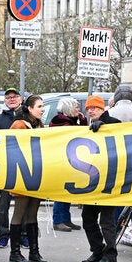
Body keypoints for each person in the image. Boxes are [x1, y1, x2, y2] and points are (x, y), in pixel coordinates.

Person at [6, 94, 49, 262]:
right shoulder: (19, 125)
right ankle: (14, 254)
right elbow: (12, 148)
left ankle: (34, 252)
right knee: (19, 212)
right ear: (30, 108)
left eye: (42, 106)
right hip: (22, 175)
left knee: (32, 213)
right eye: (39, 106)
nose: (42, 109)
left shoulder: (39, 124)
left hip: (36, 174)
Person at [81, 95, 122, 262]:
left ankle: (111, 256)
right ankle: (98, 250)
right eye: (88, 109)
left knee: (106, 220)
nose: (91, 111)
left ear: (102, 108)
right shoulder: (89, 126)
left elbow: (120, 139)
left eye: (94, 108)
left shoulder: (114, 123)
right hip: (94, 179)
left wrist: (105, 126)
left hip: (109, 180)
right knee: (88, 218)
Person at [0, 88, 26, 249]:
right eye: (8, 97)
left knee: (23, 204)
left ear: (20, 99)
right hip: (5, 167)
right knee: (3, 206)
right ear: (5, 101)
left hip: (23, 168)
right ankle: (3, 235)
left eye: (14, 96)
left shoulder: (26, 117)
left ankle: (23, 235)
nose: (12, 99)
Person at [49, 97, 85, 232]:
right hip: (62, 161)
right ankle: (58, 220)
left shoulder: (69, 121)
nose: (78, 109)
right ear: (69, 108)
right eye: (76, 107)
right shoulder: (62, 123)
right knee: (62, 192)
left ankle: (66, 219)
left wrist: (81, 120)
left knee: (68, 191)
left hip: (69, 160)